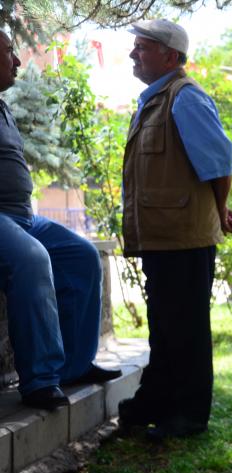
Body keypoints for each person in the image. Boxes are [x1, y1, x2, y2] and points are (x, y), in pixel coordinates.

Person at [116, 19, 232, 442]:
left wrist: (219, 212)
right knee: (165, 326)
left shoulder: (184, 99)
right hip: (165, 237)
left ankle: (188, 416)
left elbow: (220, 163)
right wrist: (219, 210)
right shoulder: (156, 100)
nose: (134, 54)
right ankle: (156, 401)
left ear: (171, 56)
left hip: (184, 239)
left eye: (142, 47)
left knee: (184, 329)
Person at [0, 31, 120, 411]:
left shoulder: (2, 107)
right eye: (9, 53)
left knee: (81, 256)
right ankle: (39, 381)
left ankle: (73, 366)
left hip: (23, 217)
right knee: (32, 259)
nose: (18, 62)